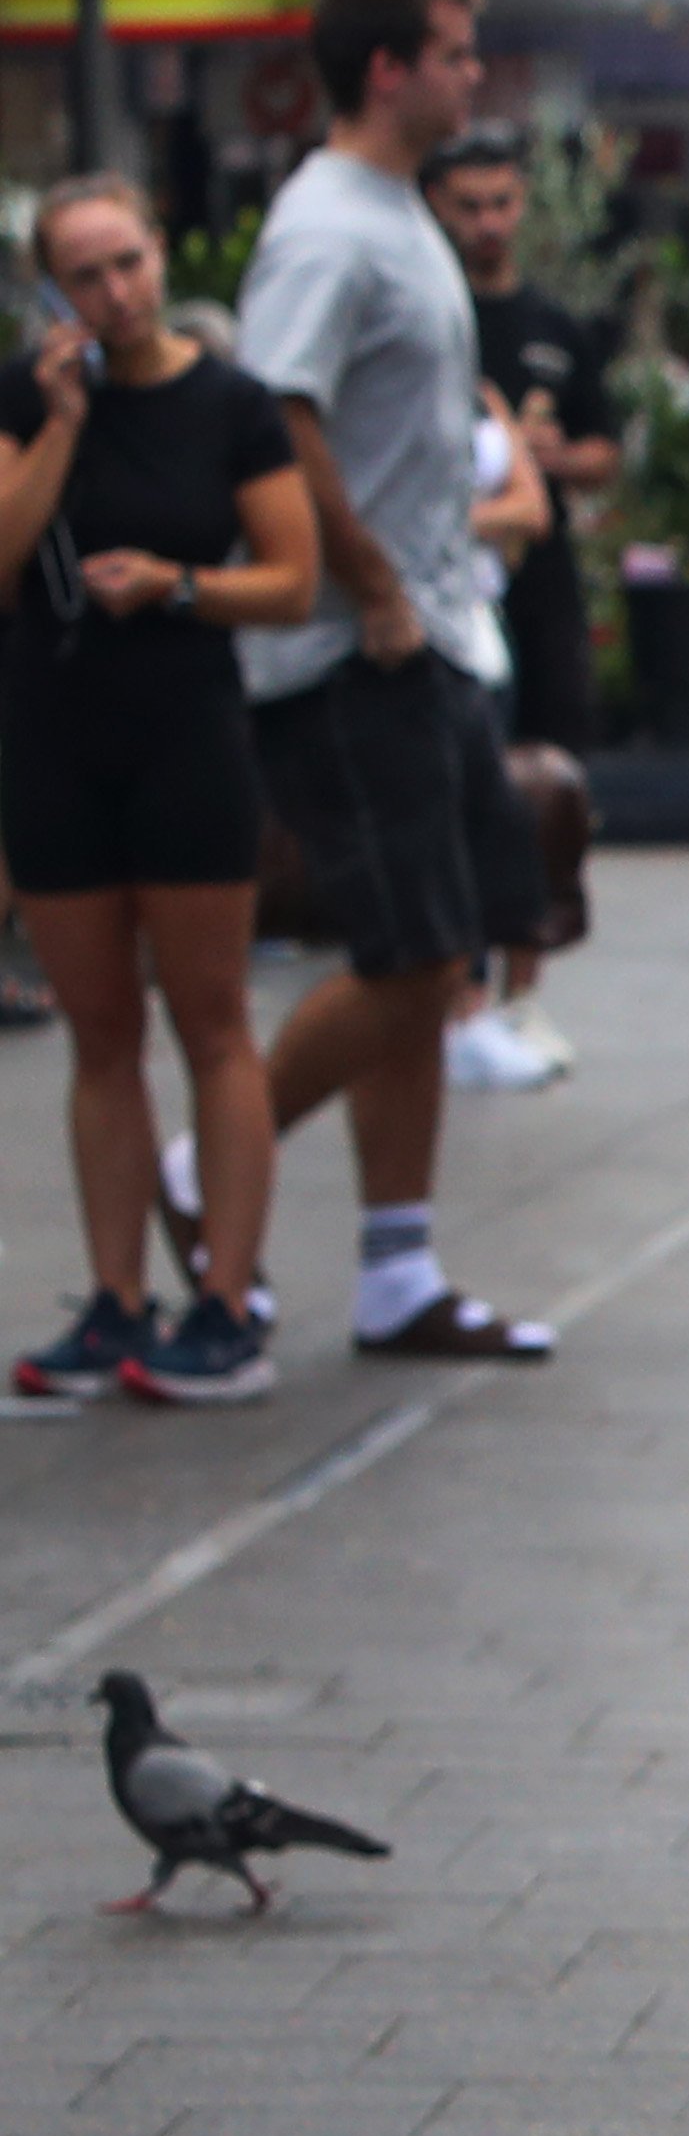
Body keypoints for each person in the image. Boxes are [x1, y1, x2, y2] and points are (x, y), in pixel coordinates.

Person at [226, 0, 553, 1361]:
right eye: (455, 54)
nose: (474, 76)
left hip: (432, 632)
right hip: (359, 646)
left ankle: (397, 1268)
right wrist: (362, 581)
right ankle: (208, 1170)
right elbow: (275, 411)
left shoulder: (398, 213)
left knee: (443, 943)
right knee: (414, 953)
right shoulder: (321, 228)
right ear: (383, 69)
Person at [0, 175, 312, 1407]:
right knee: (98, 1031)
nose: (115, 293)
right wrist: (65, 425)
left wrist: (178, 585)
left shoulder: (230, 404)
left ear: (159, 254)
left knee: (212, 1019)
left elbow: (291, 580)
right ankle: (115, 1296)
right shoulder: (28, 399)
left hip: (186, 732)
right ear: (50, 288)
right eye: (86, 274)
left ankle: (226, 1299)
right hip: (54, 737)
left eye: (128, 263)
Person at [428, 127, 609, 1088]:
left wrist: (545, 463)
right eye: (470, 205)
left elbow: (602, 451)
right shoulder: (426, 319)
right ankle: (456, 993)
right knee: (453, 789)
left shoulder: (553, 327)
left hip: (535, 592)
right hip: (444, 600)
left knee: (540, 785)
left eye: (503, 203)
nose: (489, 223)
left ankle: (520, 993)